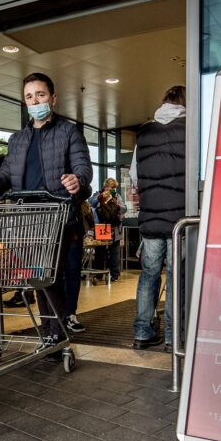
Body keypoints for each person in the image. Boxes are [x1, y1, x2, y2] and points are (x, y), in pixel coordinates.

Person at [0, 72, 92, 345]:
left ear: (52, 98)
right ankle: (52, 334)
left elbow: (83, 167)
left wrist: (78, 179)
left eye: (40, 94)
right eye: (29, 96)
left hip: (59, 216)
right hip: (29, 219)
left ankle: (57, 335)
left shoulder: (68, 132)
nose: (35, 100)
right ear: (24, 102)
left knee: (51, 276)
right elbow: (5, 177)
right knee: (38, 277)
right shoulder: (17, 140)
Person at [130, 85, 186, 350]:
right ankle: (173, 336)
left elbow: (134, 176)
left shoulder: (144, 132)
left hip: (151, 220)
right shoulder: (190, 129)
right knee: (176, 277)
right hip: (180, 221)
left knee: (149, 275)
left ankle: (142, 333)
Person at [0, 152, 34, 308]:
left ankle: (24, 292)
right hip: (19, 232)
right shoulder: (19, 184)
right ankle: (25, 292)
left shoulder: (8, 188)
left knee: (19, 262)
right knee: (22, 263)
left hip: (15, 232)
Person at [88, 178, 126, 282]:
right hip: (102, 227)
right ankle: (98, 274)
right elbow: (91, 202)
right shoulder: (98, 194)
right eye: (110, 187)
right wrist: (100, 197)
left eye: (113, 188)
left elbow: (124, 209)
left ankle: (115, 275)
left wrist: (116, 204)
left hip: (115, 227)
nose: (111, 190)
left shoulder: (117, 196)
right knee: (100, 251)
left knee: (115, 252)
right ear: (105, 187)